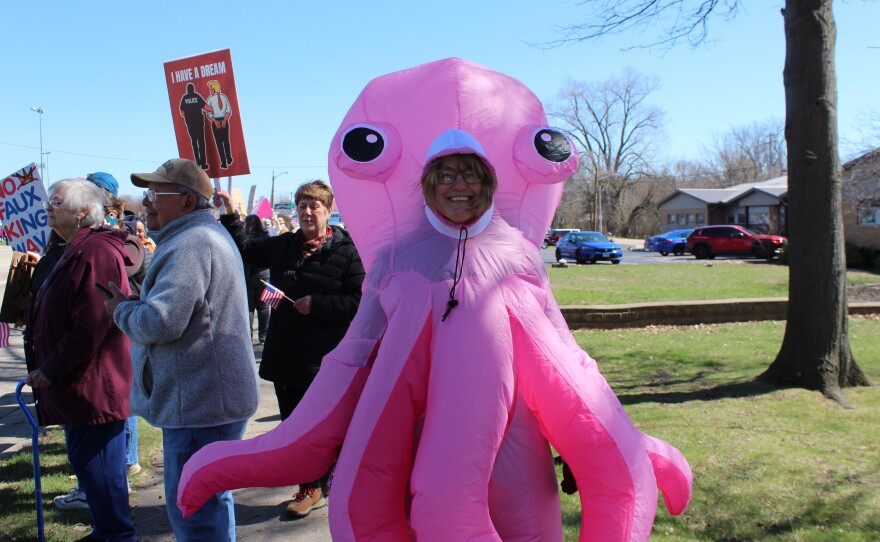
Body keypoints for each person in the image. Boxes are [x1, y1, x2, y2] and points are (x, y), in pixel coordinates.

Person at [107, 158, 258, 541]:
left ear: (188, 203)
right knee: (210, 502)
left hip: (199, 407)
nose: (147, 203)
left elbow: (161, 322)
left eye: (156, 194)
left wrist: (121, 309)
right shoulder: (199, 237)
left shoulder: (191, 244)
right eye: (148, 193)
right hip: (206, 403)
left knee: (193, 509)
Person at [214, 180, 365, 518]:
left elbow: (359, 301)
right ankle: (309, 486)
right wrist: (229, 214)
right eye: (302, 207)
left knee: (323, 424)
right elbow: (247, 249)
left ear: (328, 210)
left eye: (315, 206)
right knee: (293, 424)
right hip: (285, 353)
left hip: (324, 358)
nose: (308, 212)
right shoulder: (284, 245)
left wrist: (320, 304)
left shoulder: (347, 251)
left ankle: (325, 481)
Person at [25, 179, 137, 541]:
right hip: (81, 390)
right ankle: (106, 531)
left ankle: (115, 535)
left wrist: (52, 367)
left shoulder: (96, 252)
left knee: (103, 479)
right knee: (93, 478)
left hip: (94, 392)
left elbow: (92, 324)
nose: (49, 207)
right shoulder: (75, 247)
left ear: (83, 212)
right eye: (50, 201)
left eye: (58, 201)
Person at [243, 214, 270, 344]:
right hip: (264, 275)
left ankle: (248, 336)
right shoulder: (266, 237)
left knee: (249, 308)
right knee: (264, 307)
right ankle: (263, 335)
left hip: (248, 276)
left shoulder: (244, 239)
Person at [179, 83, 211, 169]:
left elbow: (182, 113)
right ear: (193, 88)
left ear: (187, 89)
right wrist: (213, 109)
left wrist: (188, 114)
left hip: (190, 124)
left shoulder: (184, 98)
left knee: (194, 142)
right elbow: (205, 106)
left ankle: (197, 163)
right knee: (201, 142)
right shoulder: (197, 96)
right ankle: (204, 163)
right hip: (199, 123)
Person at [205, 80, 234, 169]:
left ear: (215, 88)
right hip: (215, 121)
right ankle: (223, 162)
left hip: (224, 119)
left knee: (226, 140)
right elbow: (209, 113)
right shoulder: (209, 99)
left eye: (211, 88)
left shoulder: (223, 97)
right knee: (219, 143)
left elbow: (229, 110)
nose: (210, 90)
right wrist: (215, 122)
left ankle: (229, 158)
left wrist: (225, 120)